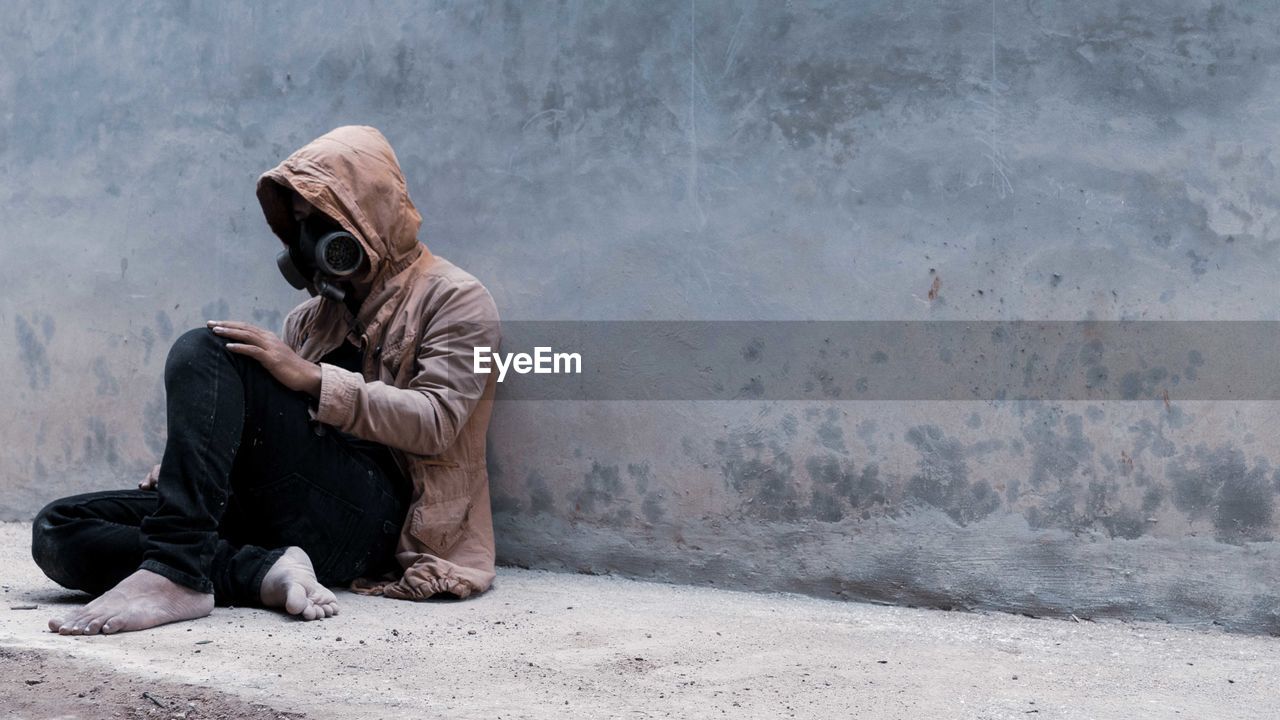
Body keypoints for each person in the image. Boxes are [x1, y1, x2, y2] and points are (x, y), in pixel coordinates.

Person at [31, 125, 502, 635]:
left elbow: (437, 422)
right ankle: (257, 573)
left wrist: (312, 378)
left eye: (321, 220)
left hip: (377, 523)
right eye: (299, 223)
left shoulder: (455, 299)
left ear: (367, 215)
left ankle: (177, 573)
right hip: (282, 518)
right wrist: (193, 464)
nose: (309, 239)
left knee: (207, 348)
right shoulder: (309, 319)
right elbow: (276, 432)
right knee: (60, 528)